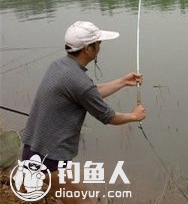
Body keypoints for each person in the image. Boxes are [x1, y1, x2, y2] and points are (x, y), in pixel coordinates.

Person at [21, 21, 146, 203]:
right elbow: (108, 116)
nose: (100, 47)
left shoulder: (59, 65)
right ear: (88, 48)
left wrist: (123, 82)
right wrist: (135, 116)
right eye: (98, 44)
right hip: (48, 160)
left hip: (33, 150)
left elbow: (88, 93)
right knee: (82, 200)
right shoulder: (79, 81)